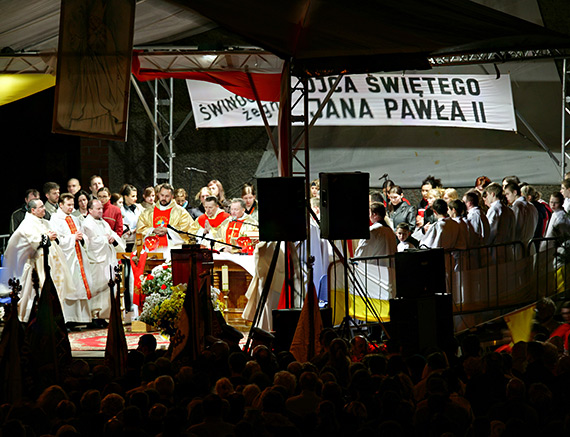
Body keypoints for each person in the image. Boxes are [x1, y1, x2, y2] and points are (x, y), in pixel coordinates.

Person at [0, 199, 75, 323]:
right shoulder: (27, 224)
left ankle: (54, 321)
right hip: (35, 266)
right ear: (33, 210)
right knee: (35, 294)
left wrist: (53, 236)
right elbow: (30, 241)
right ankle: (32, 322)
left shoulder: (44, 222)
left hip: (49, 264)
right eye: (41, 207)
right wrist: (46, 237)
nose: (44, 209)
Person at [49, 193, 93, 325]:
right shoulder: (55, 219)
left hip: (78, 256)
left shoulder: (74, 218)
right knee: (69, 287)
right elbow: (56, 240)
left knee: (80, 286)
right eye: (68, 205)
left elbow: (82, 235)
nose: (71, 208)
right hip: (66, 258)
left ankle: (81, 318)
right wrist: (73, 238)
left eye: (72, 205)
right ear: (60, 205)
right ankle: (68, 319)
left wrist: (82, 237)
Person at [83, 199, 125, 324]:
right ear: (90, 210)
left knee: (108, 287)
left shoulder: (104, 223)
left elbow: (113, 235)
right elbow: (89, 243)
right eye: (98, 209)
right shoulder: (86, 224)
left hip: (108, 260)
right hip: (96, 261)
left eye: (102, 208)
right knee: (97, 288)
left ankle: (105, 315)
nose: (101, 211)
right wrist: (105, 239)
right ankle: (95, 316)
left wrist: (113, 240)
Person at [137, 183, 194, 251]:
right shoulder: (148, 212)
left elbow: (186, 230)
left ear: (172, 196)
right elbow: (140, 230)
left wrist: (168, 230)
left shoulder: (181, 212)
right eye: (162, 195)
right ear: (158, 194)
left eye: (167, 196)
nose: (164, 198)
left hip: (171, 250)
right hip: (151, 250)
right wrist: (152, 230)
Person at [120, 184, 143, 252]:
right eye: (133, 196)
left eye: (136, 196)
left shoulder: (138, 208)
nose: (135, 198)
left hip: (138, 241)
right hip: (126, 242)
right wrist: (131, 230)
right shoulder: (121, 209)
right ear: (126, 197)